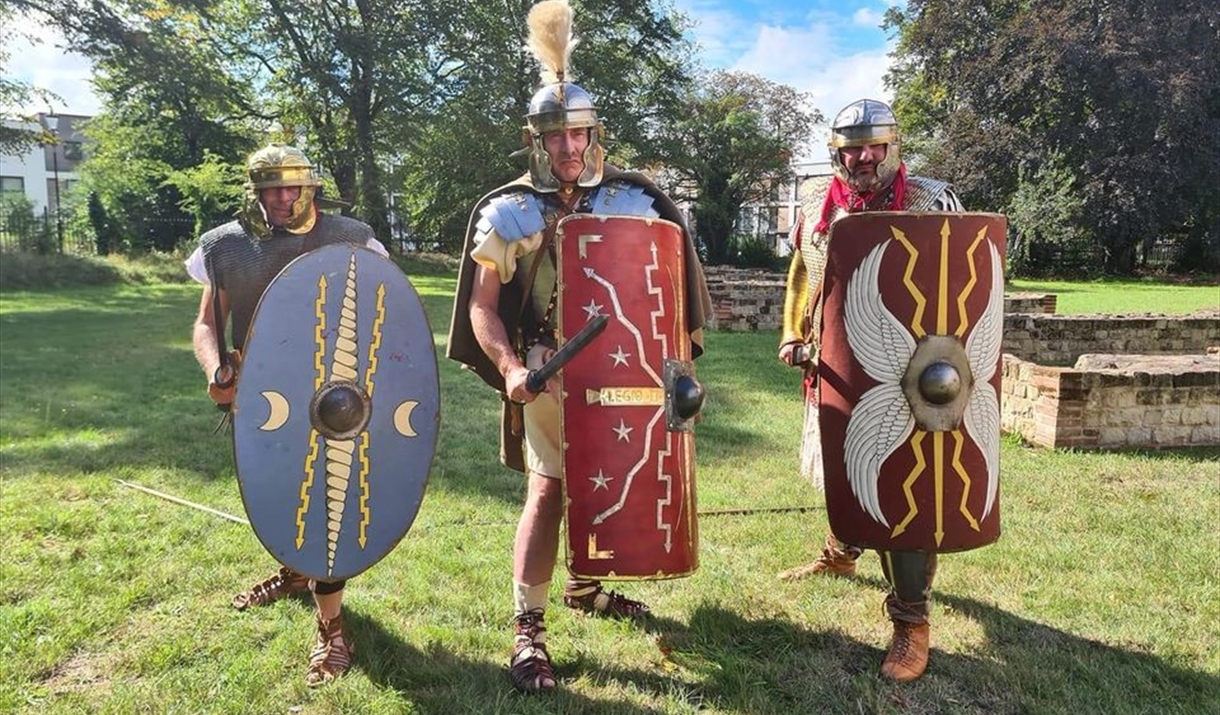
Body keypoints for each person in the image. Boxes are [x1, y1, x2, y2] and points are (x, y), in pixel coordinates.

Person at [446, 0, 711, 694]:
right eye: (554, 137)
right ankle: (526, 627)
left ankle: (585, 586)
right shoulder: (509, 213)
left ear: (596, 135)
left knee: (625, 475)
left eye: (578, 135)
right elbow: (481, 307)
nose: (568, 149)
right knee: (551, 489)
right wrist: (509, 367)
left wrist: (679, 371)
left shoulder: (635, 204)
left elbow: (669, 298)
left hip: (630, 375)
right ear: (536, 140)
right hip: (551, 371)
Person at [186, 143, 388, 687]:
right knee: (279, 492)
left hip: (337, 396)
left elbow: (387, 312)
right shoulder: (228, 245)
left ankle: (333, 628)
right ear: (254, 191)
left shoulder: (351, 237)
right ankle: (298, 572)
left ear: (312, 188)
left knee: (329, 503)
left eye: (291, 187)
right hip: (264, 395)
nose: (281, 198)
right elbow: (208, 323)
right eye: (269, 188)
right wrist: (215, 369)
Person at [776, 98, 964, 682]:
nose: (863, 157)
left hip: (907, 378)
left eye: (874, 146)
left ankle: (911, 620)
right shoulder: (815, 201)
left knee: (902, 491)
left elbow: (958, 285)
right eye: (852, 148)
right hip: (834, 364)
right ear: (838, 151)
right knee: (845, 466)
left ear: (892, 147)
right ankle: (843, 553)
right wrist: (792, 331)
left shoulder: (931, 201)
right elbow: (803, 271)